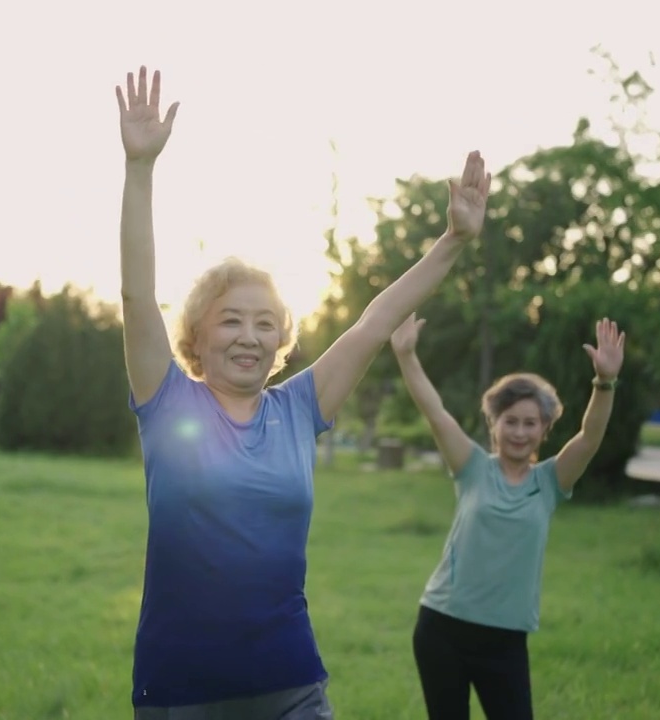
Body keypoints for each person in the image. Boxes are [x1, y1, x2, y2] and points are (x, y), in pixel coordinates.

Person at [114, 65, 492, 719]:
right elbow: (135, 295)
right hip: (181, 691)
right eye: (231, 320)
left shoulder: (297, 409)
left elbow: (375, 322)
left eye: (266, 324)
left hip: (291, 685)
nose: (250, 336)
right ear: (196, 338)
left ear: (282, 338)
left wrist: (452, 242)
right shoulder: (168, 401)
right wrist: (140, 169)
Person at [390, 313, 625, 720]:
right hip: (442, 627)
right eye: (510, 422)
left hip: (505, 639)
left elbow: (589, 437)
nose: (519, 432)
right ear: (493, 426)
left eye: (530, 423)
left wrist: (604, 383)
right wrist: (407, 354)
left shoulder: (551, 480)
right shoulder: (472, 467)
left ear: (545, 428)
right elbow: (435, 411)